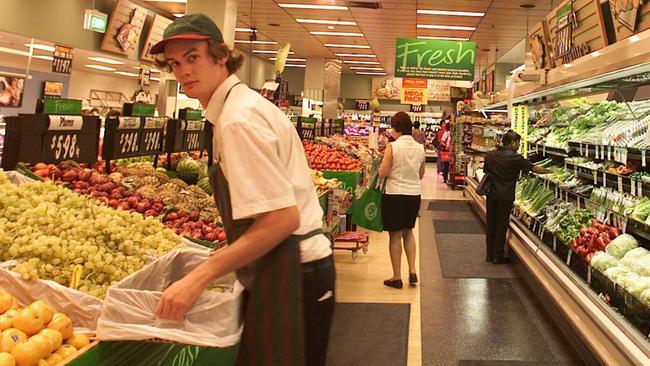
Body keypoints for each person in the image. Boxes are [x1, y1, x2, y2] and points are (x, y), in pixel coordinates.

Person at [150, 14, 335, 366]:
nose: (184, 71)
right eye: (175, 63)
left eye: (193, 57)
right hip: (282, 270)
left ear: (221, 55)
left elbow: (281, 219)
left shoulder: (239, 120)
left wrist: (201, 275)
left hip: (293, 273)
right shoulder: (236, 109)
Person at [484, 131, 552, 264]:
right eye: (518, 143)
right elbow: (533, 168)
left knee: (491, 223)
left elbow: (486, 170)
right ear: (513, 143)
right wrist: (551, 171)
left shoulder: (490, 155)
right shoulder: (515, 158)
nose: (519, 146)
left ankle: (489, 254)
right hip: (505, 195)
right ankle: (498, 255)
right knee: (501, 224)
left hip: (491, 194)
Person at [378, 112, 426, 289]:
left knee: (395, 235)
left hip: (394, 194)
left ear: (396, 128)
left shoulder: (393, 147)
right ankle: (412, 270)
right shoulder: (420, 148)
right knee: (408, 232)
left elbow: (383, 172)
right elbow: (421, 175)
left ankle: (397, 277)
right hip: (414, 195)